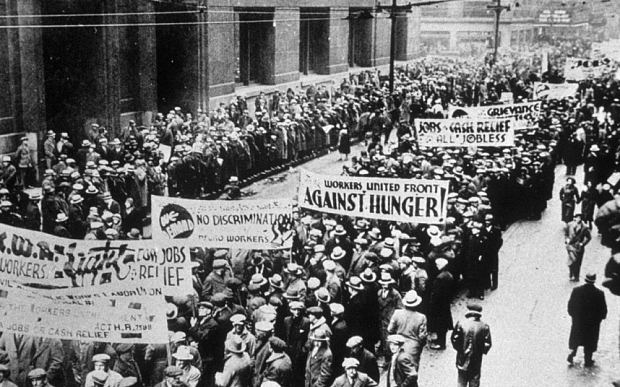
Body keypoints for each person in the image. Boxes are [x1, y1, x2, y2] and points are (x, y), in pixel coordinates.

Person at [567, 273, 607, 367]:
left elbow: (570, 305)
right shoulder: (599, 293)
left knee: (576, 338)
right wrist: (599, 319)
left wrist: (574, 316)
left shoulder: (576, 291)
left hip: (578, 321)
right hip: (592, 324)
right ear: (594, 281)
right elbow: (603, 309)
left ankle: (572, 353)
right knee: (590, 341)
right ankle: (588, 360)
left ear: (585, 279)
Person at [450, 303, 492, 387]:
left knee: (461, 380)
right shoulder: (484, 326)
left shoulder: (461, 323)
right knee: (474, 381)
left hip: (462, 359)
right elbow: (487, 344)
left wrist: (460, 349)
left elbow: (454, 340)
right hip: (476, 360)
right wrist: (480, 350)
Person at [387, 291, 426, 370]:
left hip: (398, 344)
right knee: (412, 370)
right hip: (413, 347)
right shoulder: (421, 317)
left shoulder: (397, 313)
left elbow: (390, 329)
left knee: (397, 370)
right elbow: (422, 336)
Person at [565, 213, 591, 282]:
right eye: (577, 217)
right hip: (571, 246)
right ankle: (571, 273)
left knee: (578, 263)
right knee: (571, 260)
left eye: (580, 218)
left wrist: (582, 243)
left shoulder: (585, 227)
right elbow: (566, 234)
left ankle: (576, 276)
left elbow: (589, 237)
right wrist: (567, 240)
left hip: (579, 248)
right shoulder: (570, 225)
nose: (578, 219)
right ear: (575, 218)